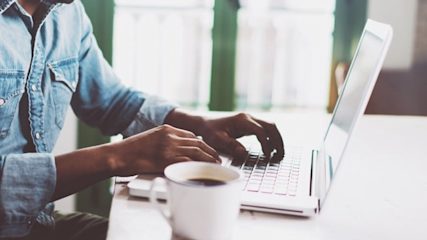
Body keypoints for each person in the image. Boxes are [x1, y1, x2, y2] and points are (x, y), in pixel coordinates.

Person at [0, 0, 284, 239]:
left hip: (38, 224)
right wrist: (117, 157)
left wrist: (200, 125)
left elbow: (111, 101)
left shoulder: (67, 13)